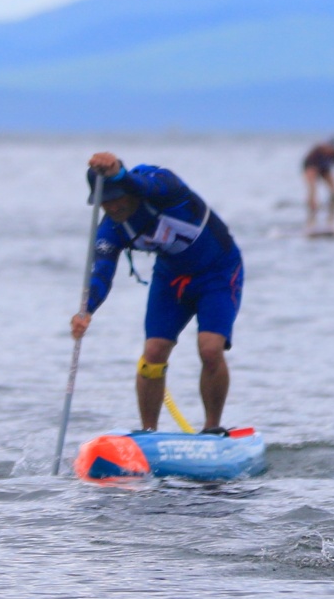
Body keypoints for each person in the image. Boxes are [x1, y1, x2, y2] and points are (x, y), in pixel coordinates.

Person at [71, 152, 244, 434]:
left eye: (117, 197)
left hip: (219, 272)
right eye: (105, 201)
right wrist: (85, 311)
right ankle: (148, 434)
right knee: (153, 353)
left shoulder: (164, 185)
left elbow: (147, 187)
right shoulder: (110, 230)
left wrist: (118, 173)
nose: (113, 207)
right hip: (171, 279)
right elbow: (101, 273)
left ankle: (213, 429)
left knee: (210, 349)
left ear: (128, 186)